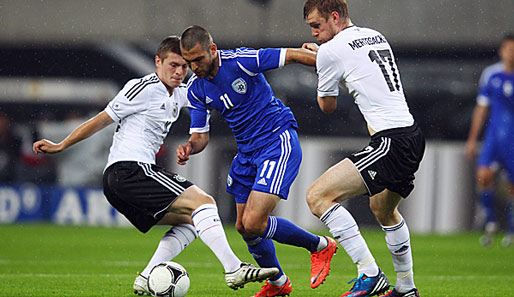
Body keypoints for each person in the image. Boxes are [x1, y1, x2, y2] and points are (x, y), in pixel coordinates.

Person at [32, 36, 279, 296]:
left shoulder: (181, 92)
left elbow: (208, 92)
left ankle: (147, 276)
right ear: (157, 61)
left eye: (184, 66)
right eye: (173, 65)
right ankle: (233, 268)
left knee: (193, 221)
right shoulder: (143, 87)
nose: (179, 72)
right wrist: (61, 145)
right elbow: (101, 120)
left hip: (125, 180)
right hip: (129, 170)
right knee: (204, 203)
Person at [176, 25, 338, 297]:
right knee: (244, 228)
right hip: (247, 154)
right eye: (188, 61)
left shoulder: (241, 61)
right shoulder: (195, 90)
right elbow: (200, 136)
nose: (193, 67)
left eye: (198, 59)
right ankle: (278, 284)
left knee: (254, 223)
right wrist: (190, 147)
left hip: (276, 142)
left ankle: (319, 246)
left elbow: (294, 55)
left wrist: (333, 66)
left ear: (212, 50)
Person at [302, 1, 425, 297]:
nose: (316, 34)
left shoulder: (331, 51)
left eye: (317, 26)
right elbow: (357, 65)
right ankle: (406, 289)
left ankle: (369, 273)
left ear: (334, 17)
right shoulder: (374, 34)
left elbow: (327, 106)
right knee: (383, 210)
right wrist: (328, 59)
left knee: (317, 196)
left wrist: (321, 65)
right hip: (412, 135)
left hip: (390, 142)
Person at [465, 33, 514, 248]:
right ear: (501, 51)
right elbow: (482, 108)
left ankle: (511, 230)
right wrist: (472, 139)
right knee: (483, 176)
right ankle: (491, 221)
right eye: (508, 49)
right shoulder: (491, 74)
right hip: (494, 137)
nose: (511, 53)